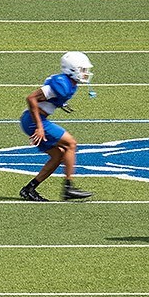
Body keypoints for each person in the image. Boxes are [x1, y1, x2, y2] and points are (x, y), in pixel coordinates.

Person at [19, 51, 95, 202]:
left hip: (34, 120)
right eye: (82, 70)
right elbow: (31, 98)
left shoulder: (70, 85)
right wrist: (39, 127)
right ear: (72, 69)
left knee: (58, 155)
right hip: (34, 120)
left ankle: (29, 188)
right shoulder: (62, 84)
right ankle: (68, 188)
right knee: (71, 143)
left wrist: (61, 104)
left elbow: (50, 99)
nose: (86, 73)